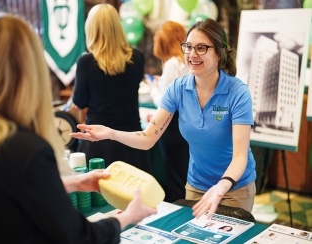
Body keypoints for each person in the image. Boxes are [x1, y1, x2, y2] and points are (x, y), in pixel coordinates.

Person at [0, 12, 157, 243]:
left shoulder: (9, 144)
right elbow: (79, 237)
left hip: (98, 141)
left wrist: (72, 182)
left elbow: (13, 189)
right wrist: (128, 217)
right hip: (129, 140)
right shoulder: (27, 151)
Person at [70, 18, 256, 219]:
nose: (192, 54)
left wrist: (221, 186)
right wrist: (111, 133)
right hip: (196, 186)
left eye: (201, 48)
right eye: (188, 47)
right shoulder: (178, 88)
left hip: (234, 188)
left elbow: (240, 156)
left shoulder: (237, 92)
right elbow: (148, 137)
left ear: (219, 53)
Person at [72, 3, 151, 172]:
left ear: (91, 29)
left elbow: (80, 101)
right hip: (131, 141)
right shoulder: (137, 58)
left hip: (97, 143)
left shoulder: (86, 62)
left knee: (97, 197)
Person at [145, 20, 189, 202]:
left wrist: (153, 87)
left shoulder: (172, 63)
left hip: (172, 127)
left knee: (175, 178)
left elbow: (164, 102)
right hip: (187, 124)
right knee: (184, 175)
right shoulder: (188, 61)